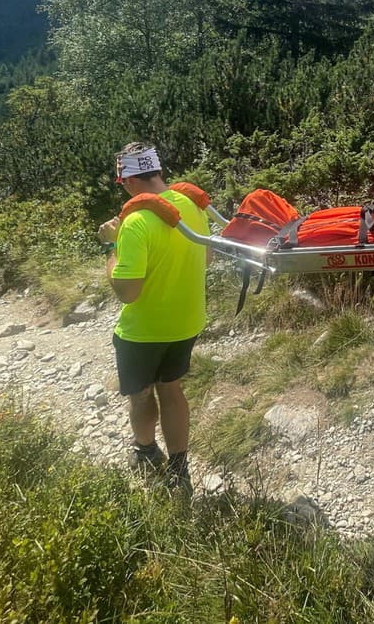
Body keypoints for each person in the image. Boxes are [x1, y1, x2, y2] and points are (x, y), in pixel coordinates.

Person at [97, 142, 213, 492]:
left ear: (128, 181)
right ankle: (180, 470)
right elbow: (206, 260)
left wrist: (110, 248)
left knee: (142, 395)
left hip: (143, 332)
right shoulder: (192, 207)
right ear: (158, 172)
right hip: (187, 323)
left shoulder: (135, 223)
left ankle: (146, 451)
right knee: (172, 389)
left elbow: (126, 292)